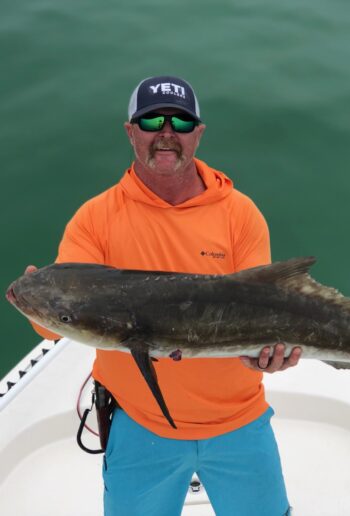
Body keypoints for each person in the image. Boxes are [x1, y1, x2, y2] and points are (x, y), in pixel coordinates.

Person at [28, 76, 301, 516]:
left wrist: (269, 354)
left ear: (199, 132)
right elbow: (55, 320)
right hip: (141, 424)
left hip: (240, 421)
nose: (166, 132)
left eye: (181, 121)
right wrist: (41, 305)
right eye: (152, 120)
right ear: (130, 131)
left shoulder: (240, 214)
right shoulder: (95, 219)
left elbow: (262, 309)